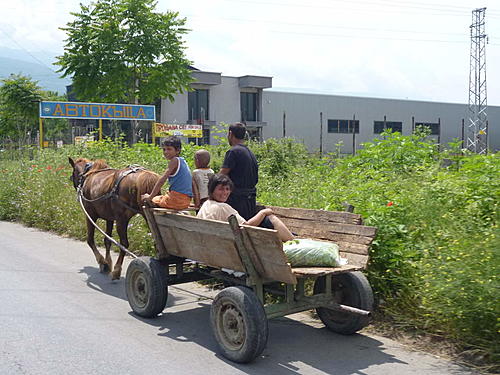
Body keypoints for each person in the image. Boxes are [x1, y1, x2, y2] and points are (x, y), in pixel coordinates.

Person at [197, 174, 294, 242]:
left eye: (227, 189)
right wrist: (263, 212)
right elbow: (246, 226)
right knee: (271, 219)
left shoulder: (206, 204)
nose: (225, 192)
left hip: (210, 246)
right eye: (220, 189)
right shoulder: (223, 207)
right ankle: (293, 242)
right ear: (212, 190)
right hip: (227, 250)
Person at [219, 122, 258, 221]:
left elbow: (221, 176)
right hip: (250, 199)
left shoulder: (233, 152)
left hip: (237, 199)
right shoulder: (250, 152)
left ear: (230, 134)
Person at [141, 136, 192, 210]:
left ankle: (152, 220)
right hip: (186, 201)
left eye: (169, 149)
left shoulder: (174, 161)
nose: (165, 152)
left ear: (177, 150)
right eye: (164, 149)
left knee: (151, 199)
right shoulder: (183, 161)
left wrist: (150, 197)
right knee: (159, 197)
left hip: (176, 201)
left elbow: (162, 180)